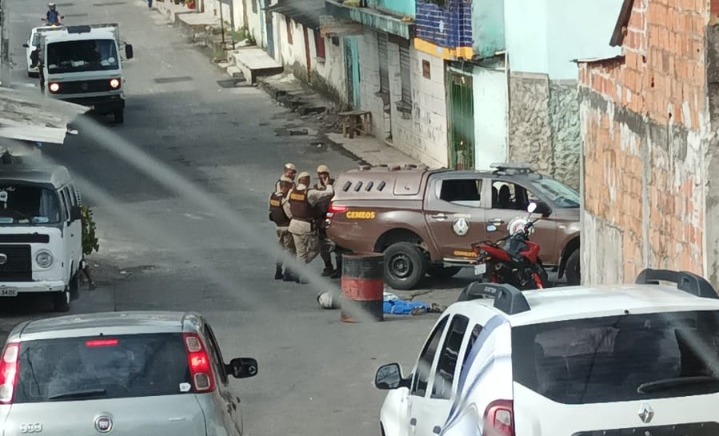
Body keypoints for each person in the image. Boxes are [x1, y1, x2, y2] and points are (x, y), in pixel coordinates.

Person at [287, 172, 334, 284]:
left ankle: (299, 270)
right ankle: (299, 267)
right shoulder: (310, 193)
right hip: (306, 227)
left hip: (293, 225)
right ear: (307, 181)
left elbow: (289, 207)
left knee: (300, 252)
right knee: (315, 248)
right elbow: (328, 193)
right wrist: (328, 184)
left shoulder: (291, 192)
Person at [269, 176, 297, 281]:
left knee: (280, 249)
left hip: (278, 227)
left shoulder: (272, 197)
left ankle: (278, 270)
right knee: (290, 250)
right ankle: (288, 272)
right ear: (285, 187)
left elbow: (271, 209)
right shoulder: (283, 200)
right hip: (287, 227)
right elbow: (289, 214)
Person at [313, 165, 338, 277]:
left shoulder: (335, 185)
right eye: (320, 174)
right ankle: (328, 266)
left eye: (324, 173)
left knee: (338, 244)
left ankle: (339, 267)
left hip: (334, 218)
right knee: (324, 246)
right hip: (321, 220)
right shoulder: (316, 187)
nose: (322, 176)